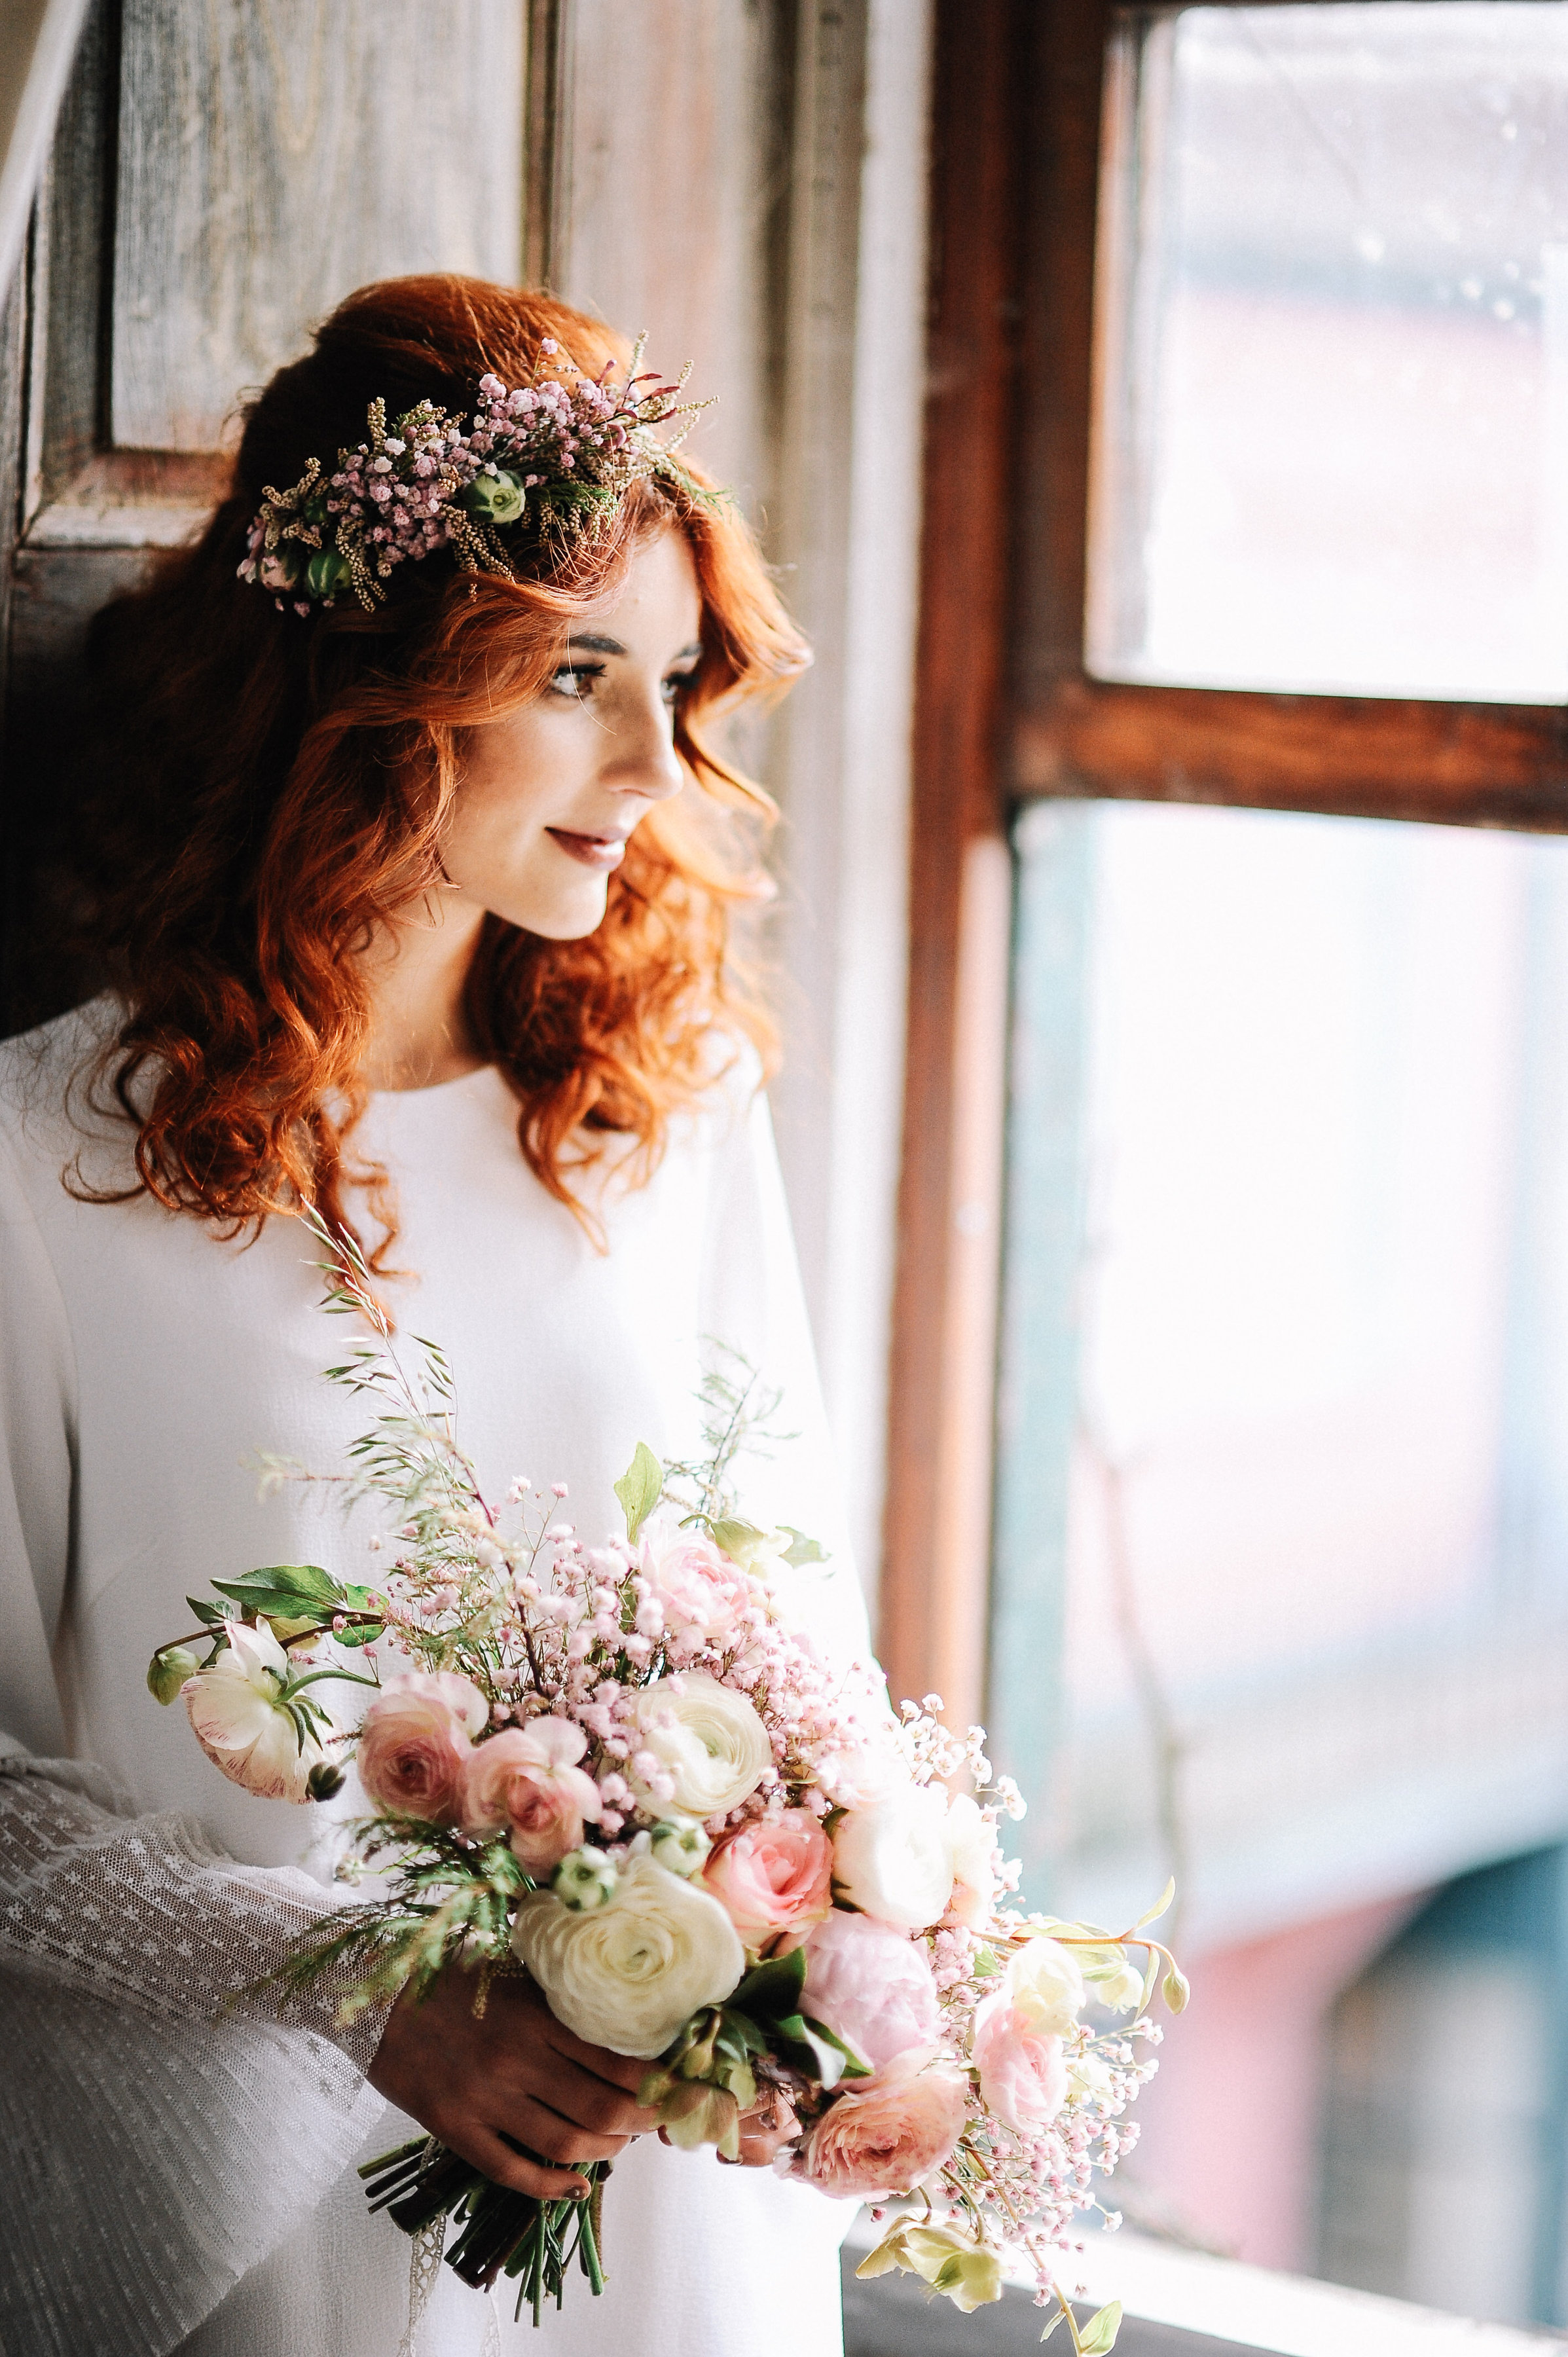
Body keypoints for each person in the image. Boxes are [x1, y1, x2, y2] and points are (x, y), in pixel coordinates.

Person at [0, 276, 869, 2357]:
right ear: (375, 681)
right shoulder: (43, 1171)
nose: (657, 760)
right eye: (579, 674)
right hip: (244, 2214)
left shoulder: (665, 1117)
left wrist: (852, 1946)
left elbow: (793, 1617)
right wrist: (367, 1994)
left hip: (646, 2192)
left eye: (673, 683)